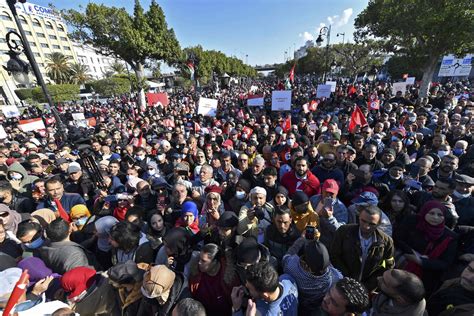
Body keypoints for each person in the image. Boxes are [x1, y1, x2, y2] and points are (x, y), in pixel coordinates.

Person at [394, 200, 458, 294]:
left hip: (425, 276)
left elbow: (446, 263)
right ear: (424, 212)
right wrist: (412, 253)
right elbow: (397, 238)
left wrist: (421, 261)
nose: (435, 217)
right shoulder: (412, 221)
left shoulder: (449, 237)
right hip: (400, 263)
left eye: (440, 215)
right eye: (431, 213)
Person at [330, 205, 395, 292]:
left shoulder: (387, 242)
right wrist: (346, 278)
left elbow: (387, 266)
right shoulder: (344, 232)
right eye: (363, 221)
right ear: (358, 218)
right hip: (341, 281)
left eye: (372, 224)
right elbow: (334, 255)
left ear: (379, 224)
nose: (366, 226)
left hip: (366, 288)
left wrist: (368, 286)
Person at [283, 235, 342, 313]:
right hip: (315, 308)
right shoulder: (335, 278)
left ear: (306, 266)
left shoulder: (292, 268)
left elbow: (286, 258)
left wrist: (302, 239)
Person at [230, 261, 298, 315]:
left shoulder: (263, 313)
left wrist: (237, 309)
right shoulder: (287, 279)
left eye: (249, 289)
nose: (245, 287)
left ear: (265, 296)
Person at [189, 243, 236, 315]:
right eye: (199, 259)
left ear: (215, 262)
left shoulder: (229, 278)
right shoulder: (195, 274)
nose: (199, 263)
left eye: (203, 261)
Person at [310, 179, 348, 248]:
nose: (328, 195)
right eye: (326, 192)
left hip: (327, 245)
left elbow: (341, 230)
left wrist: (330, 218)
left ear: (337, 193)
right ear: (322, 190)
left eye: (332, 193)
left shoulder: (341, 209)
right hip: (310, 238)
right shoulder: (314, 199)